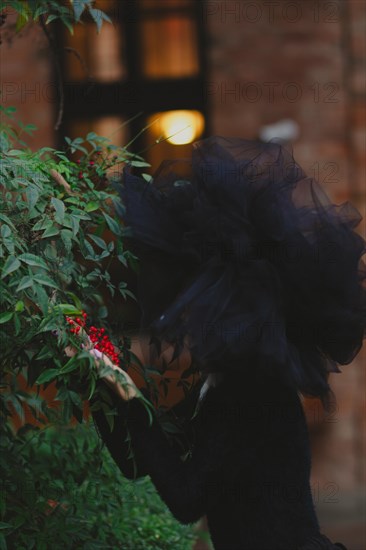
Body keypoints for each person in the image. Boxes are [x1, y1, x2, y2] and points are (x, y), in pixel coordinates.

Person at [91, 137, 365, 549]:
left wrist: (127, 395)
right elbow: (138, 460)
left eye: (192, 298)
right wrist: (97, 373)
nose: (180, 312)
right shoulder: (224, 386)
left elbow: (186, 499)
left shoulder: (248, 395)